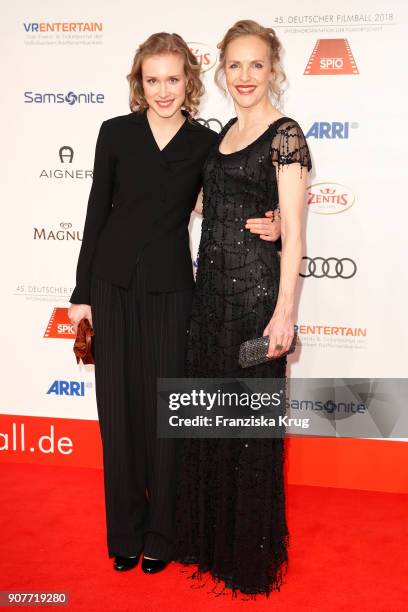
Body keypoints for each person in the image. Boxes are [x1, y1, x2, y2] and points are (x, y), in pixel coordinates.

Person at [67, 32, 281, 575]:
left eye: (173, 78)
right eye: (152, 79)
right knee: (116, 416)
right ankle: (124, 533)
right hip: (112, 288)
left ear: (190, 80)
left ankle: (161, 534)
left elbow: (236, 195)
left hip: (171, 292)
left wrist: (275, 222)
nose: (163, 90)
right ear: (139, 83)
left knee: (167, 418)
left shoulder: (205, 145)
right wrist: (81, 293)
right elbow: (96, 214)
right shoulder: (114, 133)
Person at [174, 20, 312, 597]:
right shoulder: (223, 132)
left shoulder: (285, 135)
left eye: (257, 65)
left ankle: (247, 558)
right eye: (235, 65)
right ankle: (212, 544)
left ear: (273, 69)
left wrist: (284, 315)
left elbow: (297, 237)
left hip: (256, 305)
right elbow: (212, 204)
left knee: (251, 430)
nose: (245, 76)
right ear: (221, 70)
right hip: (210, 306)